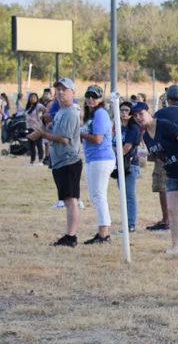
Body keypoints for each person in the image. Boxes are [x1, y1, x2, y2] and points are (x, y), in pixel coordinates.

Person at [130, 100, 178, 253]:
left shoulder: (164, 125)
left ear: (148, 112)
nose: (138, 117)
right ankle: (176, 246)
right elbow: (158, 154)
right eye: (135, 116)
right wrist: (145, 154)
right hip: (171, 174)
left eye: (141, 114)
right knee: (172, 211)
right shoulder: (146, 136)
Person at [29, 79, 83, 246]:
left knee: (71, 200)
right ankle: (69, 235)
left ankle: (71, 237)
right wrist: (42, 131)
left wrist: (43, 135)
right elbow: (56, 131)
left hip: (69, 161)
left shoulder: (70, 112)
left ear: (73, 92)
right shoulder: (61, 111)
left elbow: (64, 139)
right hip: (61, 161)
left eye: (64, 89)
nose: (60, 92)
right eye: (58, 89)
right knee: (67, 200)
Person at [79, 85, 116, 245]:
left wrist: (78, 133)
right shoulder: (91, 114)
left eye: (94, 96)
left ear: (101, 99)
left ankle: (104, 233)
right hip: (93, 158)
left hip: (101, 158)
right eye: (88, 96)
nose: (91, 99)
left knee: (99, 196)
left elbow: (98, 138)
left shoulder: (100, 113)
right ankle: (102, 231)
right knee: (96, 196)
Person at [155, 85, 178, 238]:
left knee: (169, 192)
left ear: (167, 98)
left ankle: (168, 221)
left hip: (170, 157)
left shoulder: (161, 113)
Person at [117, 101, 141, 234]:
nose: (124, 113)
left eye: (127, 110)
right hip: (120, 164)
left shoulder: (133, 128)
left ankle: (130, 224)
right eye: (122, 110)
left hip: (130, 164)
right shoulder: (119, 127)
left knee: (129, 196)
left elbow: (127, 147)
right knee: (124, 195)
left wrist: (114, 154)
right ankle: (127, 222)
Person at [24, 92, 46, 165]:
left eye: (34, 97)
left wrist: (43, 118)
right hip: (29, 128)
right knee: (31, 145)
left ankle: (40, 160)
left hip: (37, 128)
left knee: (39, 144)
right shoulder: (28, 106)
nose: (32, 98)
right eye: (31, 97)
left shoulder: (38, 106)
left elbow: (46, 110)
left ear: (37, 98)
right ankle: (32, 161)